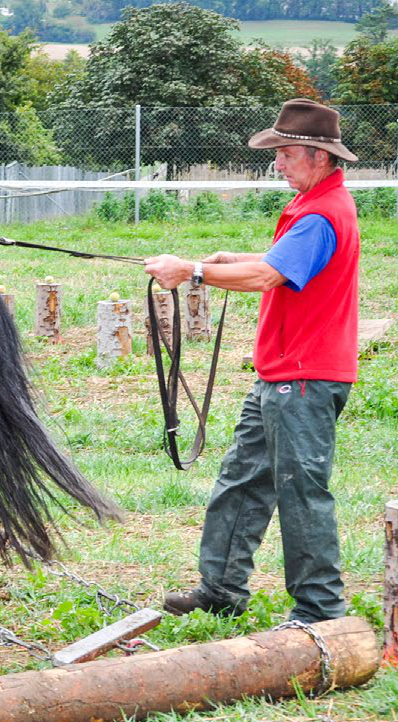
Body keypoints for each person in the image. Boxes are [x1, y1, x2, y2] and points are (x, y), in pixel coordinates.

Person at [142, 98, 360, 624]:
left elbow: (269, 277)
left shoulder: (321, 215)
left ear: (319, 157)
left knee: (301, 494)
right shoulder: (314, 208)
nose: (278, 164)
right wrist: (226, 260)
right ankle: (220, 590)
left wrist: (193, 269)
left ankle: (320, 609)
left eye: (285, 153)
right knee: (242, 483)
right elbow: (273, 265)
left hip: (303, 380)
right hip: (284, 376)